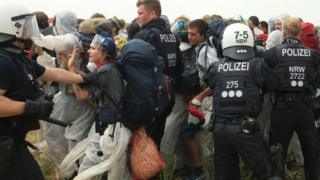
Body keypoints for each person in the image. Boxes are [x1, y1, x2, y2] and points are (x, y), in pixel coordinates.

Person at [0, 4, 87, 179]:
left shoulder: (17, 58)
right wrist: (31, 107)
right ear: (12, 27)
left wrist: (85, 79)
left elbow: (53, 73)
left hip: (11, 141)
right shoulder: (4, 61)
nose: (29, 29)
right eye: (25, 24)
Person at [189, 23, 282, 179]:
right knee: (269, 173)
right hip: (246, 129)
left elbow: (209, 83)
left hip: (220, 130)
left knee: (225, 175)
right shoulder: (256, 64)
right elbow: (274, 84)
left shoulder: (216, 67)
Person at [264, 17, 320, 180]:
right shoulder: (313, 54)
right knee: (312, 153)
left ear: (284, 33)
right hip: (306, 108)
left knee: (277, 153)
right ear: (300, 33)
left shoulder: (273, 53)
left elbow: (263, 76)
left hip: (282, 108)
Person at [133, 0, 182, 147]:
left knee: (142, 145)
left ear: (152, 13)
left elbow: (132, 70)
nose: (137, 17)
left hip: (148, 100)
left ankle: (148, 169)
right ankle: (156, 169)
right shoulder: (172, 36)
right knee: (155, 140)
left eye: (140, 13)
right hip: (168, 97)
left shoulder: (144, 35)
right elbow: (180, 67)